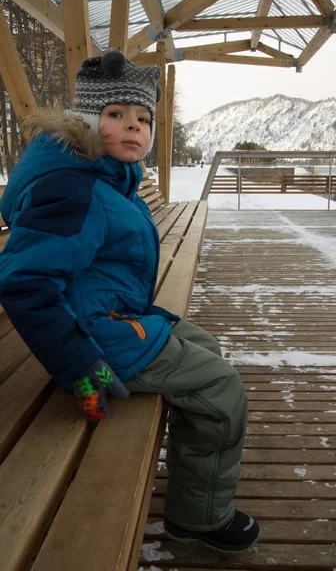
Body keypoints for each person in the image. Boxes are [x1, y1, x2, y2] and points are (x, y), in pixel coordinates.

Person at [0, 48, 259, 553]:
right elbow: (25, 282)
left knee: (205, 345)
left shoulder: (103, 177)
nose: (133, 127)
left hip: (113, 317)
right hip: (98, 340)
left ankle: (191, 460)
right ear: (85, 122)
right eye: (115, 115)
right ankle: (198, 519)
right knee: (223, 394)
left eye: (142, 118)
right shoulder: (74, 188)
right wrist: (81, 367)